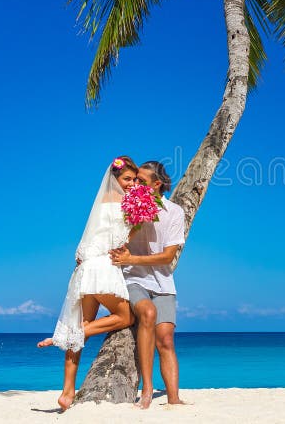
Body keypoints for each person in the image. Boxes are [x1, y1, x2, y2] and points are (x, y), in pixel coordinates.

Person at [37, 156, 138, 411]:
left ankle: (66, 392)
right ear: (115, 179)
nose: (131, 184)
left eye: (134, 179)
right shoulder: (125, 204)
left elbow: (90, 239)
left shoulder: (100, 204)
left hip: (85, 269)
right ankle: (73, 334)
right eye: (127, 179)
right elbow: (123, 237)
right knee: (125, 317)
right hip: (102, 268)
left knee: (82, 324)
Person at [110, 161, 185, 409]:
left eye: (142, 181)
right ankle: (147, 388)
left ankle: (174, 399)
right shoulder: (126, 207)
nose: (136, 185)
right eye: (134, 180)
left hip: (163, 282)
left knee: (165, 339)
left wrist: (133, 257)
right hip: (133, 277)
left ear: (157, 184)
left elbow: (167, 256)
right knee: (148, 313)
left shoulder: (174, 212)